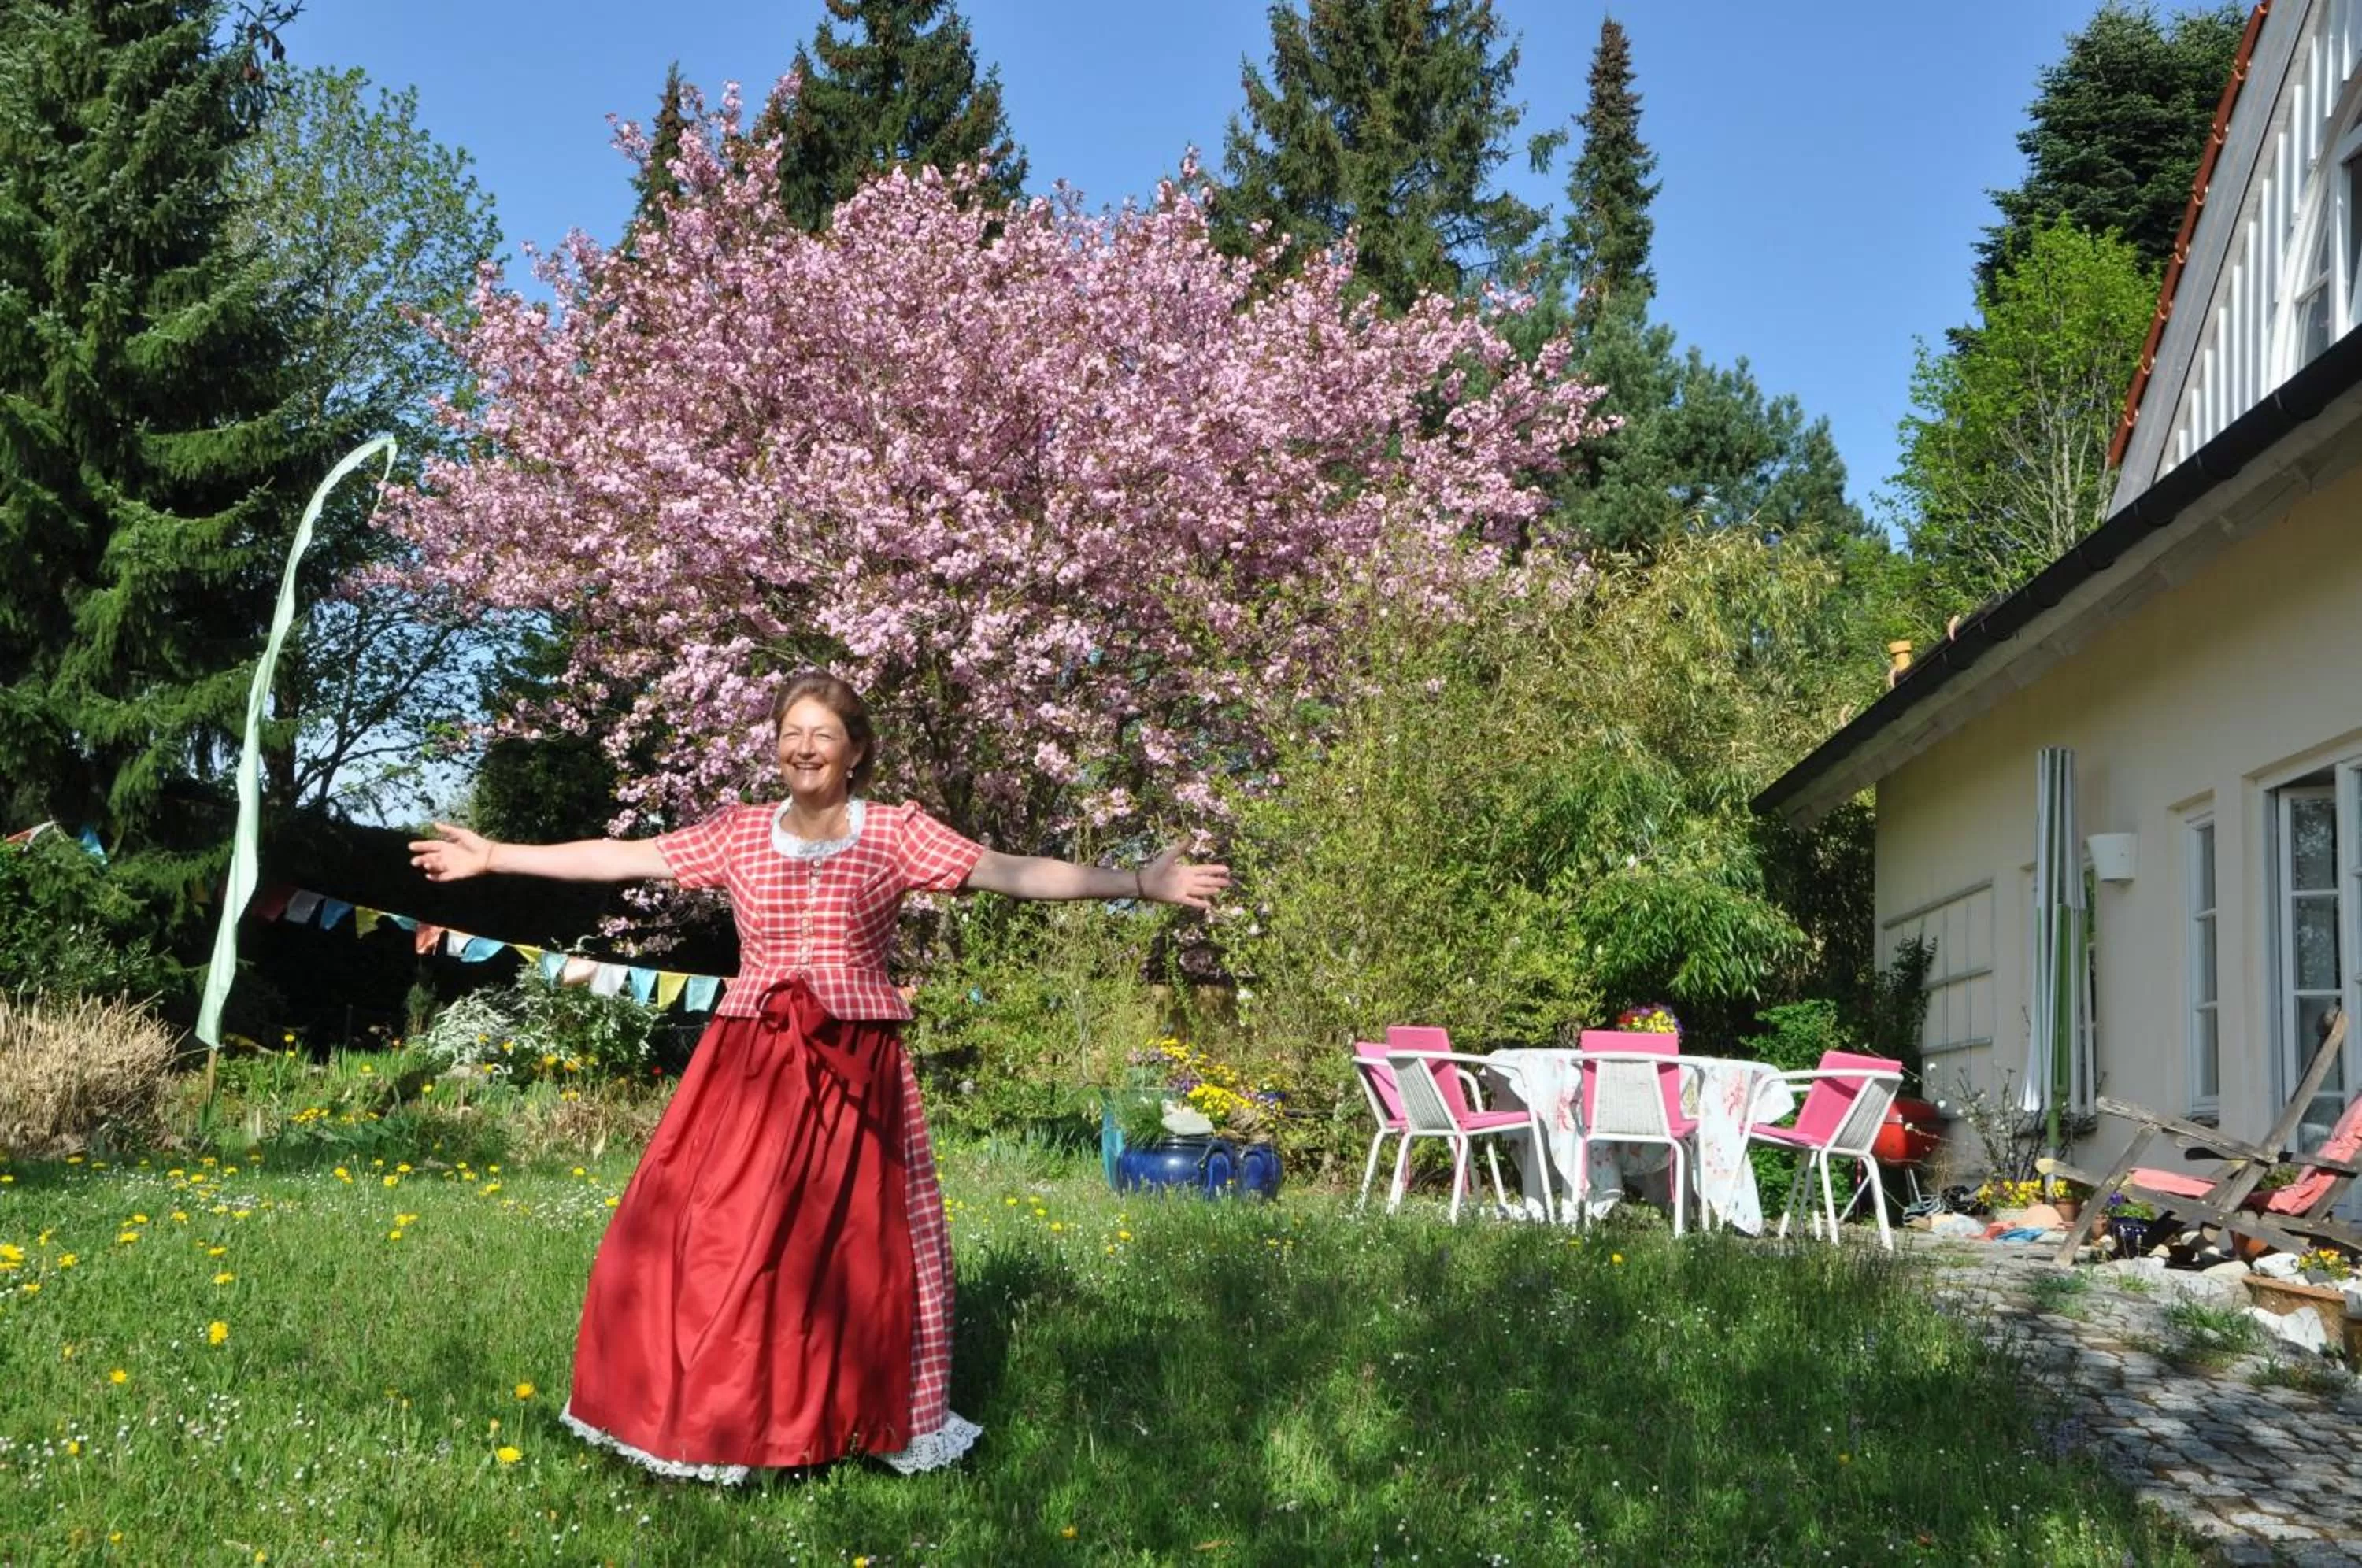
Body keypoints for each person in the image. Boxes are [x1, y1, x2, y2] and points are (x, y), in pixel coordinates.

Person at [408, 671, 1228, 1480]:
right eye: (791, 733)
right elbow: (623, 856)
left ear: (856, 750)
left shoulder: (894, 832)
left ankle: (842, 1413)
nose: (805, 748)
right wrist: (495, 856)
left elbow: (1014, 871)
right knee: (718, 1233)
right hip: (751, 1059)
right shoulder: (738, 831)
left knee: (847, 1249)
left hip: (853, 1064)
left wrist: (1138, 884)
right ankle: (719, 1406)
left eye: (823, 734)